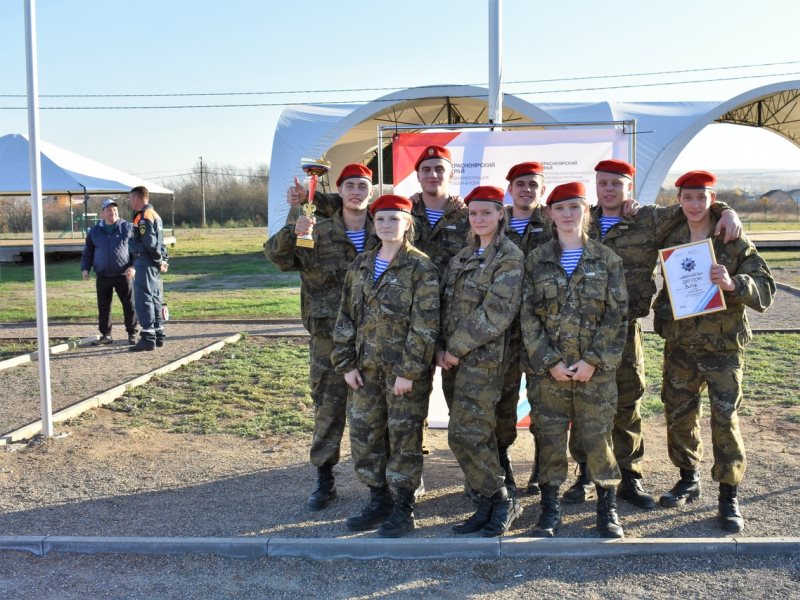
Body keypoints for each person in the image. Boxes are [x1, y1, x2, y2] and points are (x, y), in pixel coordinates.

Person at [562, 159, 743, 510]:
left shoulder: (649, 218)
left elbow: (695, 207)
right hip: (582, 331)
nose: (610, 190)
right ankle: (584, 473)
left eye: (617, 183)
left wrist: (727, 211)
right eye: (603, 183)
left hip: (626, 330)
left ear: (629, 187)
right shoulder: (581, 219)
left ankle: (630, 476)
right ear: (596, 186)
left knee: (628, 402)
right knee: (581, 402)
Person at [653, 170, 775, 533]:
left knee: (725, 421)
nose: (693, 204)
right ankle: (688, 477)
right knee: (678, 415)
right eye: (687, 197)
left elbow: (765, 288)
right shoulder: (672, 232)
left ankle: (728, 494)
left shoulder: (731, 238)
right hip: (681, 345)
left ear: (712, 198)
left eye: (701, 197)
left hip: (722, 347)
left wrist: (734, 282)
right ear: (678, 200)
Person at [265, 163, 378, 512]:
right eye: (350, 186)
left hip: (374, 338)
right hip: (328, 338)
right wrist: (293, 227)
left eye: (363, 186)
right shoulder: (317, 229)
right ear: (339, 192)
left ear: (370, 192)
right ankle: (325, 479)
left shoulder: (386, 229)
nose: (356, 192)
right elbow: (278, 257)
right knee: (328, 411)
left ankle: (377, 485)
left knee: (374, 413)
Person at [521, 182, 628, 539]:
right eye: (560, 208)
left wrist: (593, 361)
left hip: (593, 374)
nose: (567, 215)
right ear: (550, 214)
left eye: (574, 207)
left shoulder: (607, 259)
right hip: (547, 373)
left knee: (597, 438)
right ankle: (549, 510)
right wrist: (548, 360)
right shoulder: (536, 260)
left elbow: (617, 316)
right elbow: (527, 315)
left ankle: (607, 507)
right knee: (549, 438)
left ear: (586, 212)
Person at [332, 194, 439, 538]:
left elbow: (426, 325)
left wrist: (408, 371)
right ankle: (378, 499)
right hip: (364, 372)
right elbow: (346, 316)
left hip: (402, 375)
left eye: (394, 219)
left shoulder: (421, 267)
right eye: (380, 219)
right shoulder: (362, 265)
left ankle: (404, 507)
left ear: (408, 224)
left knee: (404, 439)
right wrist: (346, 363)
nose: (386, 225)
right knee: (366, 438)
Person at [438, 185, 524, 537]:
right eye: (473, 213)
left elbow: (497, 311)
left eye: (486, 212)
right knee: (473, 435)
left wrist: (455, 348)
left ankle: (503, 499)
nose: (479, 219)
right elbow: (446, 307)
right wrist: (441, 348)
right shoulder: (462, 256)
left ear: (500, 214)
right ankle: (488, 504)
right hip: (453, 362)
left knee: (464, 434)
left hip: (484, 362)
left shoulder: (509, 256)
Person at [499, 162, 553, 498]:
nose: (526, 190)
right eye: (520, 184)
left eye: (533, 184)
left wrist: (723, 209)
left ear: (542, 190)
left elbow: (613, 206)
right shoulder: (494, 218)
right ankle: (502, 466)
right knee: (503, 401)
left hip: (541, 328)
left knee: (544, 403)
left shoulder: (554, 219)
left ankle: (541, 469)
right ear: (510, 189)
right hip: (501, 329)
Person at [81, 198, 138, 346]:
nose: (112, 213)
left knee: (129, 305)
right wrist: (85, 268)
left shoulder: (127, 228)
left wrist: (133, 267)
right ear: (103, 213)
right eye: (109, 210)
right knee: (104, 306)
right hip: (103, 275)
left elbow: (136, 250)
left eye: (114, 210)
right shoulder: (94, 231)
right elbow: (88, 252)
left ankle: (132, 333)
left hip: (123, 274)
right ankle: (106, 335)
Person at [128, 186, 168, 352]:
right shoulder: (155, 215)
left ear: (137, 198)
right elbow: (161, 242)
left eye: (131, 199)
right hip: (153, 263)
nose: (130, 202)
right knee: (155, 298)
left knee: (143, 299)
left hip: (145, 261)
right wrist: (163, 260)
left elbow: (150, 243)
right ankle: (158, 334)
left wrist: (158, 260)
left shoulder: (143, 217)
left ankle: (147, 338)